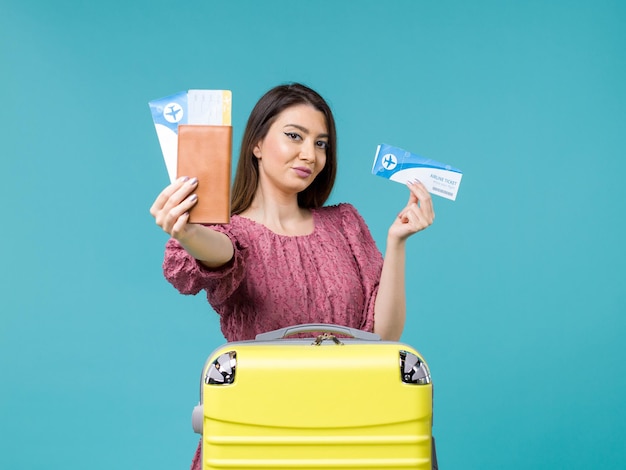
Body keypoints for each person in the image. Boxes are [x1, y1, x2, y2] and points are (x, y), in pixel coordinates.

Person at [149, 83, 436, 469]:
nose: (309, 154)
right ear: (256, 144)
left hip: (351, 435)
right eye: (294, 136)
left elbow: (383, 339)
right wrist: (187, 232)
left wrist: (397, 241)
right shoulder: (233, 233)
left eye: (320, 143)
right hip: (257, 437)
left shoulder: (346, 223)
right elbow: (222, 253)